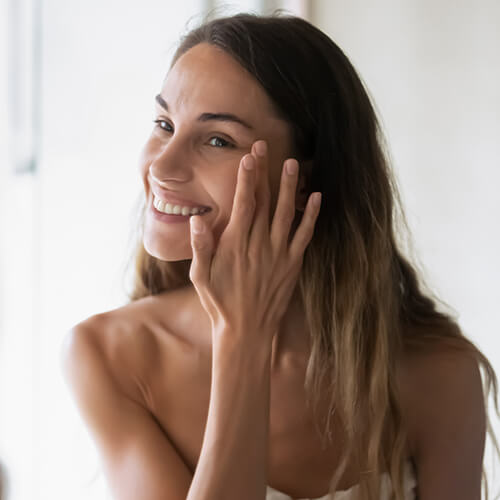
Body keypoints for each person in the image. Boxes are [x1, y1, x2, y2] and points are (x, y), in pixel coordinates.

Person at [61, 12, 499, 500]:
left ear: (305, 180)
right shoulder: (109, 355)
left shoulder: (437, 375)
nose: (161, 165)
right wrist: (242, 341)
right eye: (164, 123)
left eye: (217, 140)